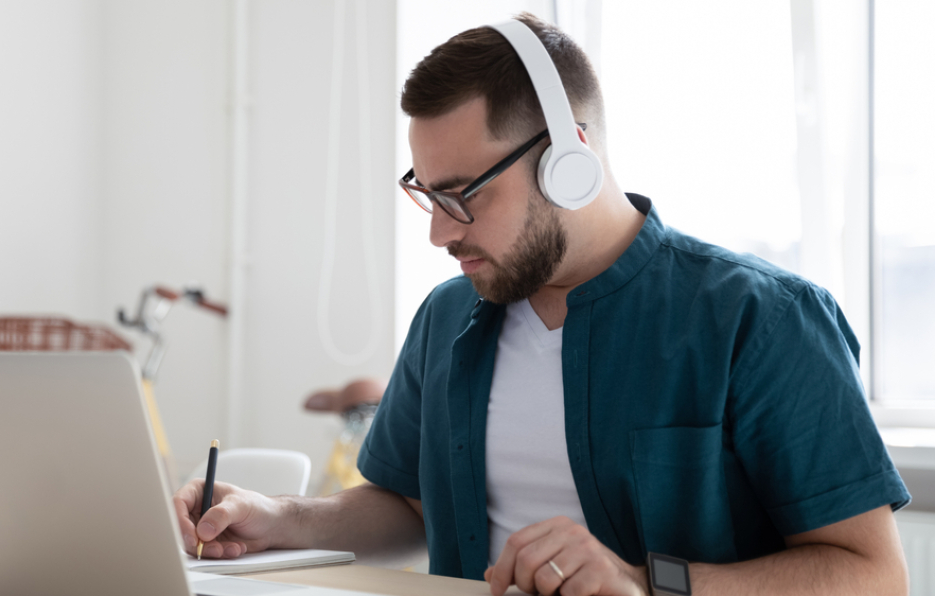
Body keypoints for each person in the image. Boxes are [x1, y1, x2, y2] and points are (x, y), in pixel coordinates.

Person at [173, 13, 911, 596]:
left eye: (462, 196)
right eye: (427, 196)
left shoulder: (762, 321)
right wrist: (279, 517)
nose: (437, 231)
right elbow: (408, 510)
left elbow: (872, 576)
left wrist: (644, 584)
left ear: (570, 162)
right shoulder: (445, 317)